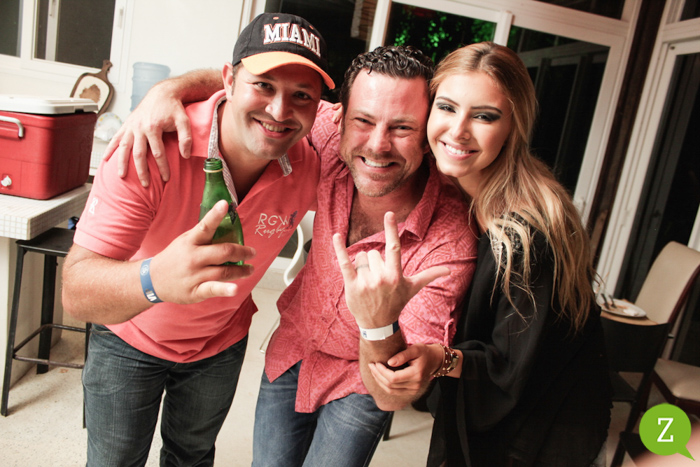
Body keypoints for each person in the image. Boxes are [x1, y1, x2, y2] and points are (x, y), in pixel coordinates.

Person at [107, 46, 478, 466]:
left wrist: (378, 323)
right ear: (339, 118)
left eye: (403, 127)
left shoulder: (450, 237)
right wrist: (166, 91)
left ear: (428, 134)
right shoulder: (328, 136)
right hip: (294, 348)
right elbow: (260, 92)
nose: (377, 145)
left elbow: (390, 394)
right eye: (363, 121)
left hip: (361, 378)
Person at [61, 13, 336, 466]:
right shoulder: (151, 146)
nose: (279, 111)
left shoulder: (312, 158)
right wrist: (155, 279)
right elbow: (76, 290)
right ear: (229, 81)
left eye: (301, 95)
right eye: (263, 85)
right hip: (129, 336)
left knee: (192, 457)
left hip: (220, 342)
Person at [355, 42, 612, 466]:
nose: (458, 131)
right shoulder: (465, 192)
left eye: (484, 116)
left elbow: (509, 364)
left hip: (543, 428)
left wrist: (438, 358)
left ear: (514, 126)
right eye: (447, 107)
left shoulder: (527, 234)